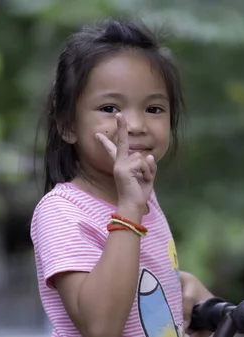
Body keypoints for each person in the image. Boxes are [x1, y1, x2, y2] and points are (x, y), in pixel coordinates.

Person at [30, 18, 214, 337]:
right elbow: (101, 327)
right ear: (67, 125)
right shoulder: (60, 212)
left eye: (154, 109)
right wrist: (129, 209)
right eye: (110, 107)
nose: (135, 124)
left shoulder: (145, 198)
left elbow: (142, 274)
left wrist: (187, 286)